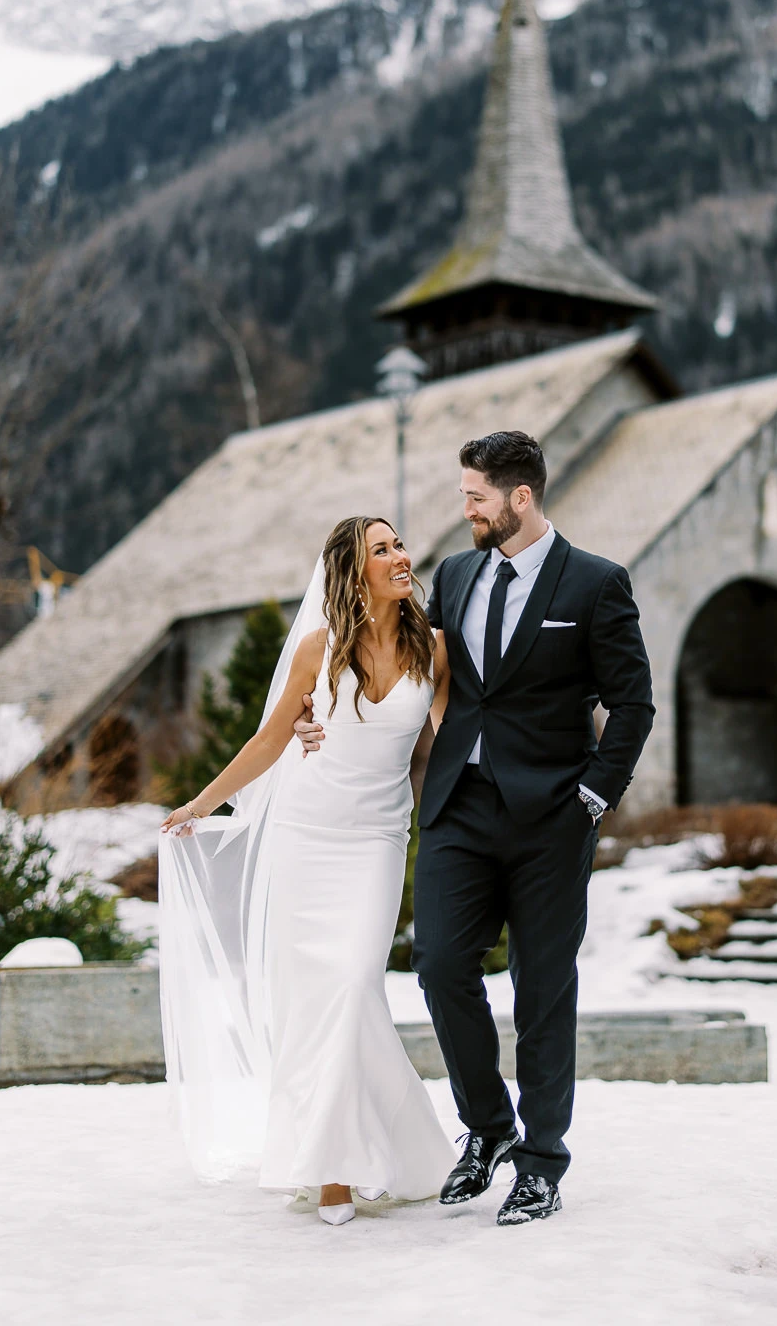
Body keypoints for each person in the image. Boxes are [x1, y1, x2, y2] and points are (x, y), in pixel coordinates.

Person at [298, 430, 654, 1227]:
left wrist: (595, 797)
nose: (464, 511)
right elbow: (386, 656)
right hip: (459, 805)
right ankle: (489, 1128)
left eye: (475, 498)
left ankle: (541, 1164)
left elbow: (632, 703)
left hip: (553, 817)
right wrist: (313, 719)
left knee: (542, 988)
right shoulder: (454, 576)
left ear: (519, 498)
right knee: (439, 966)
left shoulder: (596, 584)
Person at [159, 516, 455, 1227]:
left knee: (354, 987)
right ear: (353, 573)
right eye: (381, 549)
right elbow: (268, 740)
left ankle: (380, 1153)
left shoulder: (434, 649)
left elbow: (446, 743)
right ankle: (331, 1173)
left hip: (378, 840)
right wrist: (202, 802)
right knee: (316, 1002)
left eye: (398, 544)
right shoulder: (320, 651)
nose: (400, 556)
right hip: (307, 835)